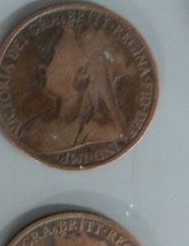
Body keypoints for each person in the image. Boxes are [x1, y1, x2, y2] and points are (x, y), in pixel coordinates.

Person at [20, 27, 134, 155]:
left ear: (81, 76)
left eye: (53, 56)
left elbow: (119, 134)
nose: (42, 66)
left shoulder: (97, 133)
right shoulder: (36, 126)